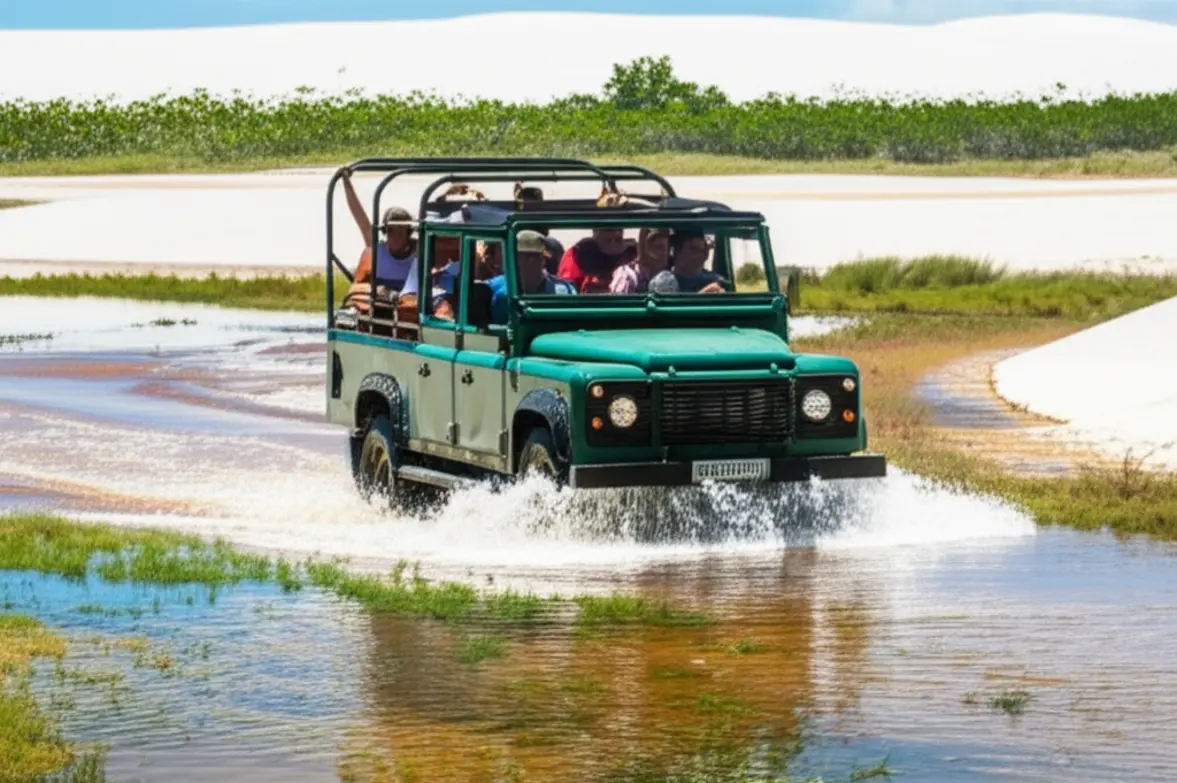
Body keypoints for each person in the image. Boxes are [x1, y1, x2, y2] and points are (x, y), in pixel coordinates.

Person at [337, 166, 418, 294]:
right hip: (381, 305)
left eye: (401, 231)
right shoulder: (378, 251)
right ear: (385, 231)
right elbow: (360, 218)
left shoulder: (419, 252)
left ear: (408, 232)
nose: (396, 236)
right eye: (391, 231)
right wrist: (346, 181)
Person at [488, 230, 576, 324]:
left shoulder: (565, 292)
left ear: (543, 260)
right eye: (522, 257)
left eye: (536, 257)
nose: (530, 263)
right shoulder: (492, 290)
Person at [648, 228, 726, 294]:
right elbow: (667, 310)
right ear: (676, 251)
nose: (700, 254)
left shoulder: (716, 279)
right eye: (694, 248)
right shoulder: (664, 281)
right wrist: (702, 296)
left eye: (704, 248)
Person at [557, 227, 629, 294]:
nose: (615, 233)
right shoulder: (579, 253)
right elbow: (566, 290)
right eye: (607, 229)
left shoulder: (631, 255)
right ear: (595, 231)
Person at [609, 228, 670, 294]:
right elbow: (619, 302)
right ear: (643, 248)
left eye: (667, 247)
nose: (665, 252)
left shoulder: (669, 276)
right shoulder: (627, 275)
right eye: (658, 247)